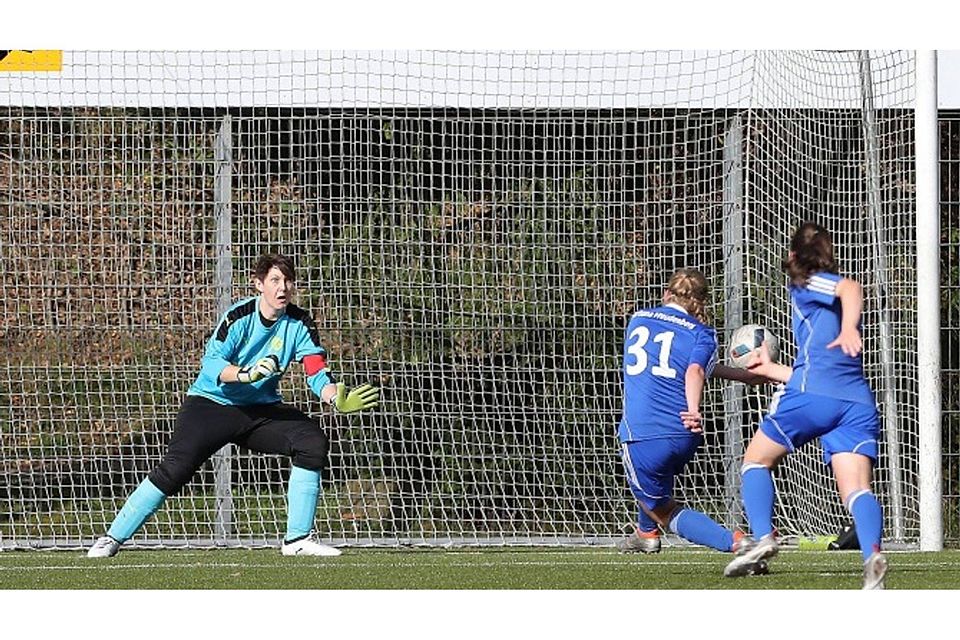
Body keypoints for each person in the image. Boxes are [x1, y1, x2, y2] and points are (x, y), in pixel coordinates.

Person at [87, 254, 379, 558]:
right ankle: (111, 538)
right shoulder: (239, 317)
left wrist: (335, 398)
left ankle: (297, 540)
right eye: (275, 280)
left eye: (288, 281)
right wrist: (247, 374)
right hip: (211, 404)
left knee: (311, 441)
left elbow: (316, 371)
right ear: (259, 284)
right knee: (175, 469)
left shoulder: (300, 323)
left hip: (259, 411)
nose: (282, 288)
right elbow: (212, 364)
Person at [723, 222, 887, 589]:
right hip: (855, 401)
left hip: (813, 397)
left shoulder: (805, 283)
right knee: (857, 489)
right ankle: (872, 558)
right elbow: (819, 367)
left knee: (755, 460)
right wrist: (771, 369)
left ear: (794, 255)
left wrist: (850, 328)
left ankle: (764, 538)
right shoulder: (823, 300)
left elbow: (850, 287)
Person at [616, 267, 766, 566]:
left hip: (644, 433)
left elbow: (694, 371)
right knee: (655, 483)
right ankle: (646, 533)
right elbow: (693, 368)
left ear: (666, 294)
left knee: (663, 508)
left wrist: (693, 409)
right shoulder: (702, 333)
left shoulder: (639, 319)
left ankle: (739, 544)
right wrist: (745, 377)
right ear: (701, 301)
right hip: (683, 434)